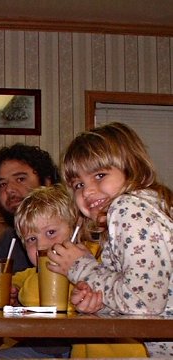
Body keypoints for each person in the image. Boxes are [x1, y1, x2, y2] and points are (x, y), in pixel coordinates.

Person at [0, 184, 147, 358]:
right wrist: (11, 292)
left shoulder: (98, 260)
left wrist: (23, 296)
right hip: (44, 348)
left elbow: (32, 295)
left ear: (76, 228)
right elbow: (19, 281)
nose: (41, 246)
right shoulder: (35, 273)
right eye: (31, 239)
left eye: (51, 232)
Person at [48, 122, 172, 357]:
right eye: (78, 185)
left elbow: (142, 305)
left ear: (132, 167)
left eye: (100, 175)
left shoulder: (128, 208)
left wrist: (79, 267)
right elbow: (144, 300)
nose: (87, 191)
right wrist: (99, 304)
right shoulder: (147, 207)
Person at [0, 144, 60, 277]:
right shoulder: (10, 238)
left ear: (47, 182)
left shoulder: (72, 229)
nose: (8, 189)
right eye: (2, 184)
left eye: (20, 179)